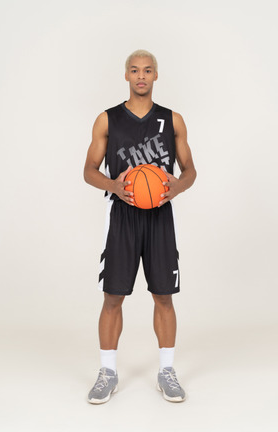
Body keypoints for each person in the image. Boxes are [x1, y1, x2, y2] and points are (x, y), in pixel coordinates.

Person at [83, 49, 197, 404]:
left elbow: (190, 169)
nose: (141, 76)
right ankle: (107, 372)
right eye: (135, 70)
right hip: (122, 215)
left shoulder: (173, 120)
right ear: (126, 76)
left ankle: (166, 371)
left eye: (147, 70)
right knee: (113, 296)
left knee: (163, 294)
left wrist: (176, 186)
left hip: (160, 215)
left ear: (156, 75)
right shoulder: (107, 120)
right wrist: (114, 185)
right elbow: (89, 170)